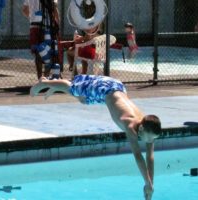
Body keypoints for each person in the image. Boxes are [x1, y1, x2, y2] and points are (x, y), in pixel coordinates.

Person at [30, 75, 161, 200]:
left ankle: (56, 85)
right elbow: (138, 156)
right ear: (142, 128)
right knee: (75, 89)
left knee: (83, 99)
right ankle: (45, 82)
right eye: (149, 138)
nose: (150, 141)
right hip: (106, 89)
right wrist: (147, 182)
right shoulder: (130, 125)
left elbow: (150, 157)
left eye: (152, 139)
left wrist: (150, 185)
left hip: (117, 90)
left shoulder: (148, 126)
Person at [22, 0, 59, 79]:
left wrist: (32, 17)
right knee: (49, 51)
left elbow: (25, 10)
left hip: (34, 25)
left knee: (37, 51)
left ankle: (40, 78)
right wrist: (57, 26)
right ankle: (46, 76)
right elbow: (54, 9)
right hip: (48, 26)